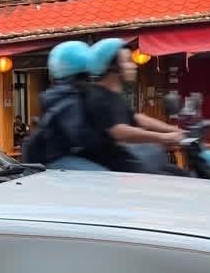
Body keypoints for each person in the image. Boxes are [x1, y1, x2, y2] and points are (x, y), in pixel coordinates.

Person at [79, 37, 185, 173]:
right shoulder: (96, 96)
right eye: (128, 61)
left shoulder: (114, 96)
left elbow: (138, 119)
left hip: (121, 160)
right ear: (113, 68)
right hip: (108, 168)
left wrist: (173, 130)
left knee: (177, 173)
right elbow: (119, 131)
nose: (134, 66)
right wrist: (162, 137)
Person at [22, 40, 100, 170]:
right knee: (103, 175)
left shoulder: (62, 92)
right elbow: (79, 135)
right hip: (57, 159)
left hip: (54, 157)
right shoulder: (70, 96)